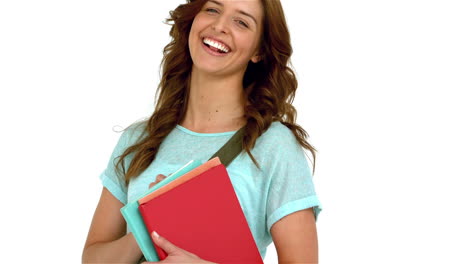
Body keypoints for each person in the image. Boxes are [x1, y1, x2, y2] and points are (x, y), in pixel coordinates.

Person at [82, 0, 323, 263]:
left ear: (259, 51)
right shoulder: (139, 139)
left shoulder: (273, 145)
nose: (220, 26)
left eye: (241, 22)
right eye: (212, 10)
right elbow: (93, 258)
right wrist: (148, 223)